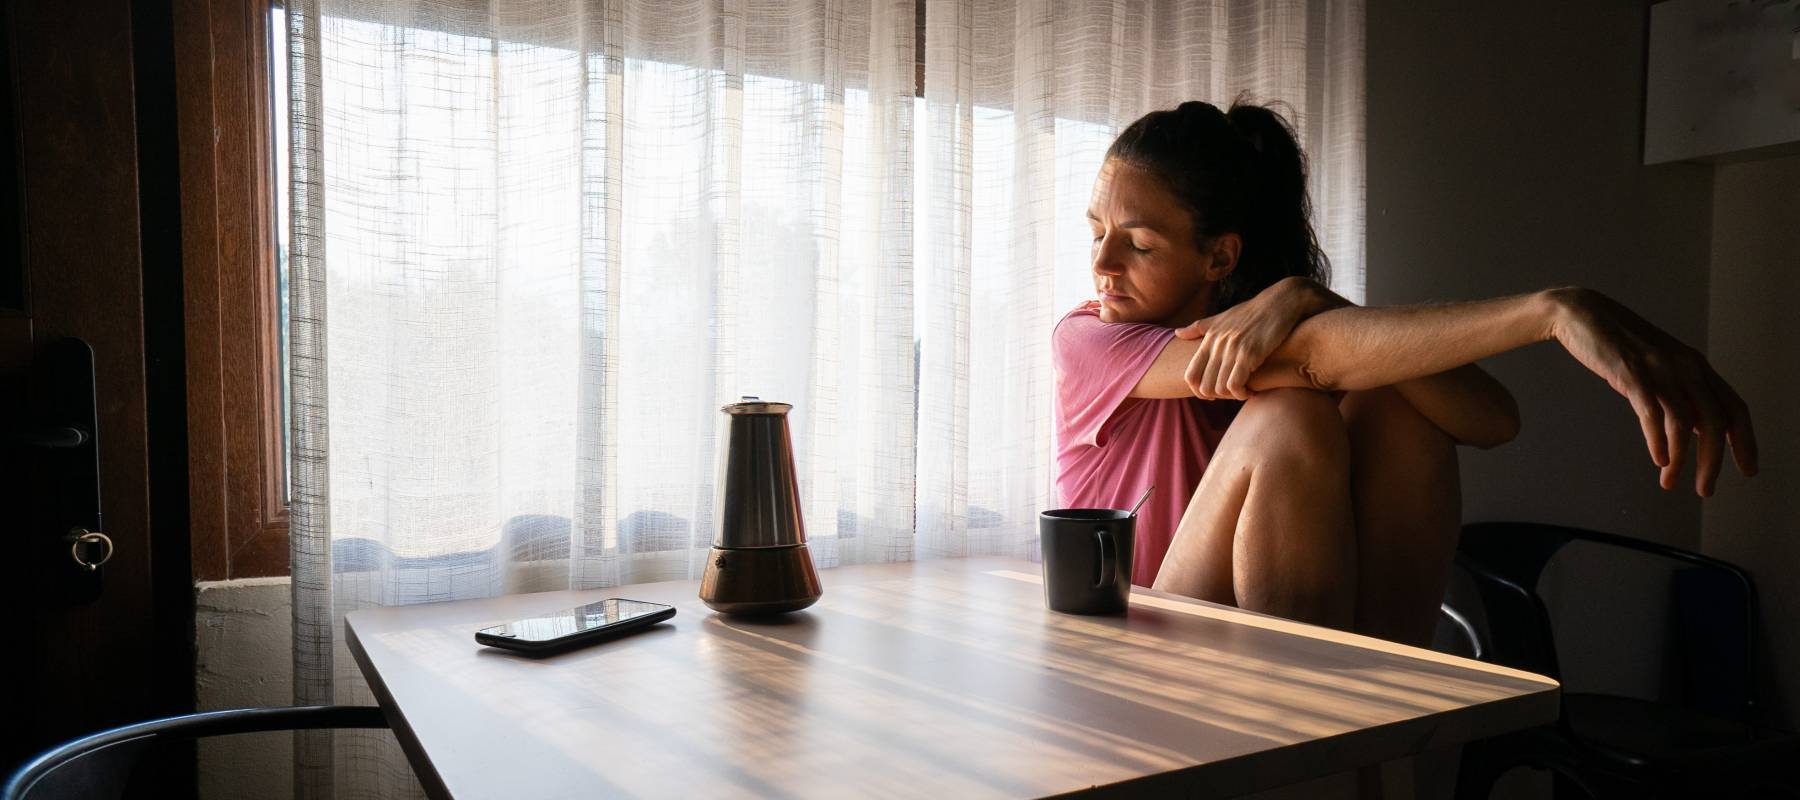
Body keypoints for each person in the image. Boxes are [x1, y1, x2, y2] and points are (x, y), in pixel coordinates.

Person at [1052, 100, 1758, 648]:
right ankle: (1337, 753)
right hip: (1138, 655)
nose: (1103, 263)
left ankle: (1368, 729)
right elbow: (1313, 358)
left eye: (1138, 244)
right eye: (1097, 232)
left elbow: (1491, 420)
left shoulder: (1283, 333)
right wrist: (1552, 312)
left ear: (1219, 258)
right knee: (1291, 414)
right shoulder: (1087, 339)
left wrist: (1312, 297)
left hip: (1253, 641)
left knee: (1396, 408)